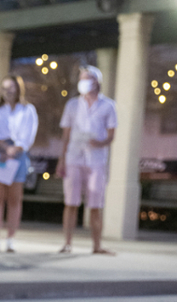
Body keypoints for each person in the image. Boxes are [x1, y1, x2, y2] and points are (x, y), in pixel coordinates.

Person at [55, 65, 117, 255]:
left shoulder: (108, 105)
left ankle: (96, 245)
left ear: (97, 81)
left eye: (87, 78)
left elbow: (111, 136)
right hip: (74, 157)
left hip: (96, 160)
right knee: (71, 202)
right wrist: (62, 159)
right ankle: (67, 243)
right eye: (81, 78)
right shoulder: (72, 105)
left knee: (96, 204)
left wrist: (99, 142)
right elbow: (65, 134)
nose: (83, 82)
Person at [0, 75, 38, 253]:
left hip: (18, 155)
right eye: (4, 88)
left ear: (18, 89)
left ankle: (10, 239)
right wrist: (3, 147)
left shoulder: (27, 109)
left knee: (15, 199)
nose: (8, 92)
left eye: (11, 88)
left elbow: (28, 135)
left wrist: (15, 150)